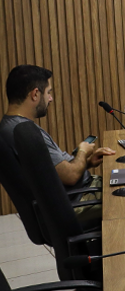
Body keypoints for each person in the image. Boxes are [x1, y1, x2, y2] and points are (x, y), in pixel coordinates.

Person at [1, 65, 114, 225]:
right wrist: (83, 152)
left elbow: (51, 173)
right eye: (48, 92)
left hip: (76, 195)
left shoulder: (9, 127)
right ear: (35, 94)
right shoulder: (25, 133)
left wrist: (88, 162)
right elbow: (70, 176)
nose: (50, 99)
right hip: (78, 202)